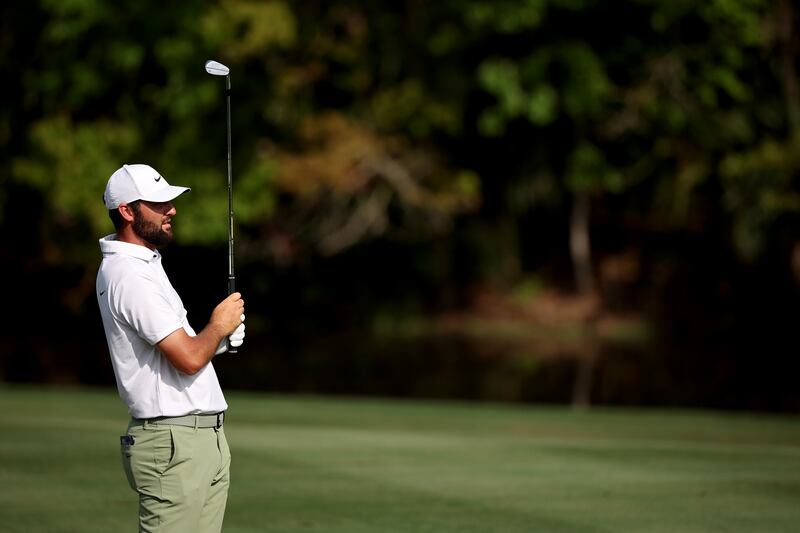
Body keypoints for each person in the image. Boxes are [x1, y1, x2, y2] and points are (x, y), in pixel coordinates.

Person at [96, 163, 245, 533]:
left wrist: (219, 342)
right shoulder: (129, 275)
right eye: (159, 203)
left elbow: (184, 350)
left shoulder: (145, 264)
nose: (172, 209)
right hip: (173, 441)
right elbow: (190, 358)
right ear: (127, 211)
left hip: (199, 438)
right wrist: (217, 326)